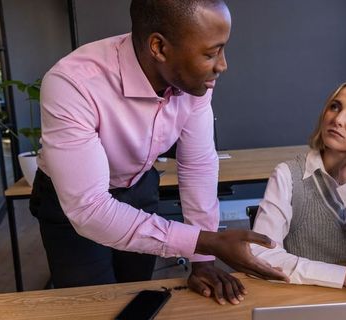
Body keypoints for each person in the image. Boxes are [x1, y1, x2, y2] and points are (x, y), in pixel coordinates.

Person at [30, 0, 287, 305]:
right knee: (91, 303)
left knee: (133, 294)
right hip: (72, 205)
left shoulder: (194, 82)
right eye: (210, 53)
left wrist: (202, 259)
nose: (222, 65)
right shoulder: (72, 83)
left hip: (139, 186)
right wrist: (208, 242)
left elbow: (198, 165)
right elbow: (90, 209)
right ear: (159, 48)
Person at [251, 80, 346, 291]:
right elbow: (261, 255)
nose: (338, 119)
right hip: (300, 298)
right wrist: (345, 276)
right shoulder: (287, 175)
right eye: (335, 107)